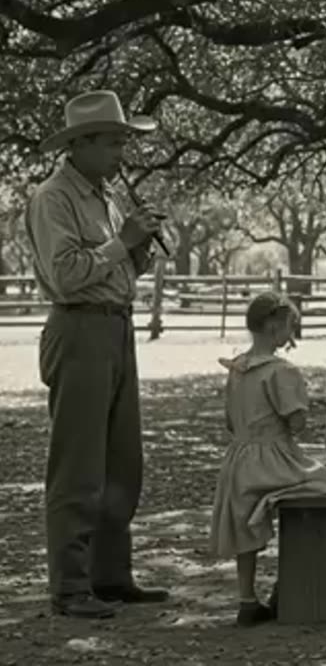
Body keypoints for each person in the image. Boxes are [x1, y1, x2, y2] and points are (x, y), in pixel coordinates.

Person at [26, 90, 169, 618]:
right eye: (112, 143)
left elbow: (115, 273)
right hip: (80, 331)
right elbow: (66, 275)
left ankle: (110, 576)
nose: (120, 154)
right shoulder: (53, 198)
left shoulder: (104, 197)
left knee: (121, 462)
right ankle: (69, 587)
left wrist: (136, 251)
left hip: (117, 330)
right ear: (80, 143)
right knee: (78, 466)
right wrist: (119, 243)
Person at [210, 293, 326, 626]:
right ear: (274, 327)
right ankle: (300, 579)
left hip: (240, 458)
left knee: (244, 526)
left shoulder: (237, 368)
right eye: (290, 327)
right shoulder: (280, 371)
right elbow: (295, 424)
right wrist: (304, 405)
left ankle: (246, 598)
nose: (292, 336)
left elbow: (230, 421)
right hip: (272, 459)